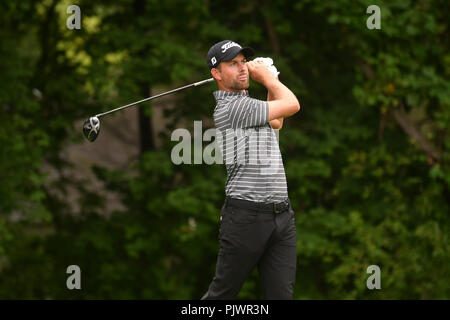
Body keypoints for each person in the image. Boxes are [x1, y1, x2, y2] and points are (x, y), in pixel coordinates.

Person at [201, 40, 300, 300]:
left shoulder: (246, 103)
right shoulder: (231, 108)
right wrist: (268, 79)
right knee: (221, 296)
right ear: (217, 74)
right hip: (246, 217)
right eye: (232, 64)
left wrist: (271, 81)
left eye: (244, 62)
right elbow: (292, 104)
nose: (243, 68)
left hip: (281, 216)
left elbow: (277, 121)